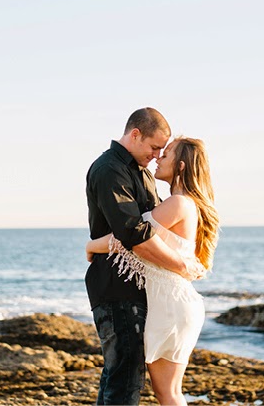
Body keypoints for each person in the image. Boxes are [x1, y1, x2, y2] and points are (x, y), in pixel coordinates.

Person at [87, 136, 219, 406]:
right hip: (175, 303)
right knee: (168, 392)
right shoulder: (180, 203)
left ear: (181, 166)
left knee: (168, 393)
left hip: (171, 307)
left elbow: (130, 236)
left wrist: (90, 245)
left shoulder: (178, 204)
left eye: (166, 154)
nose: (159, 157)